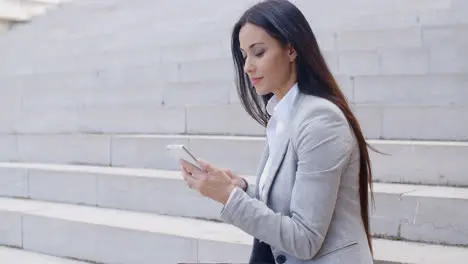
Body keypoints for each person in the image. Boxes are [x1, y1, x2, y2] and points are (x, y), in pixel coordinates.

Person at [180, 0, 375, 263]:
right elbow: (285, 205)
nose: (248, 66)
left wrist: (229, 196)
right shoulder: (282, 115)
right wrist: (241, 189)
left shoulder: (320, 121)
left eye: (258, 52)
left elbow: (305, 239)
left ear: (291, 49)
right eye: (244, 55)